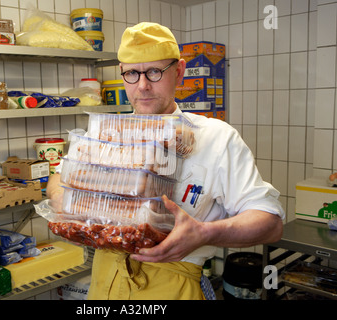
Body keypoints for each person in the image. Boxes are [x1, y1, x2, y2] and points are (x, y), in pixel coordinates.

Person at [46, 22, 285, 300]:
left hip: (173, 287)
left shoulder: (217, 138)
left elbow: (270, 223)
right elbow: (59, 177)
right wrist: (66, 199)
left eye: (155, 72)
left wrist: (204, 234)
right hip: (104, 286)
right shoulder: (109, 133)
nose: (143, 86)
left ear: (179, 72)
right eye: (132, 73)